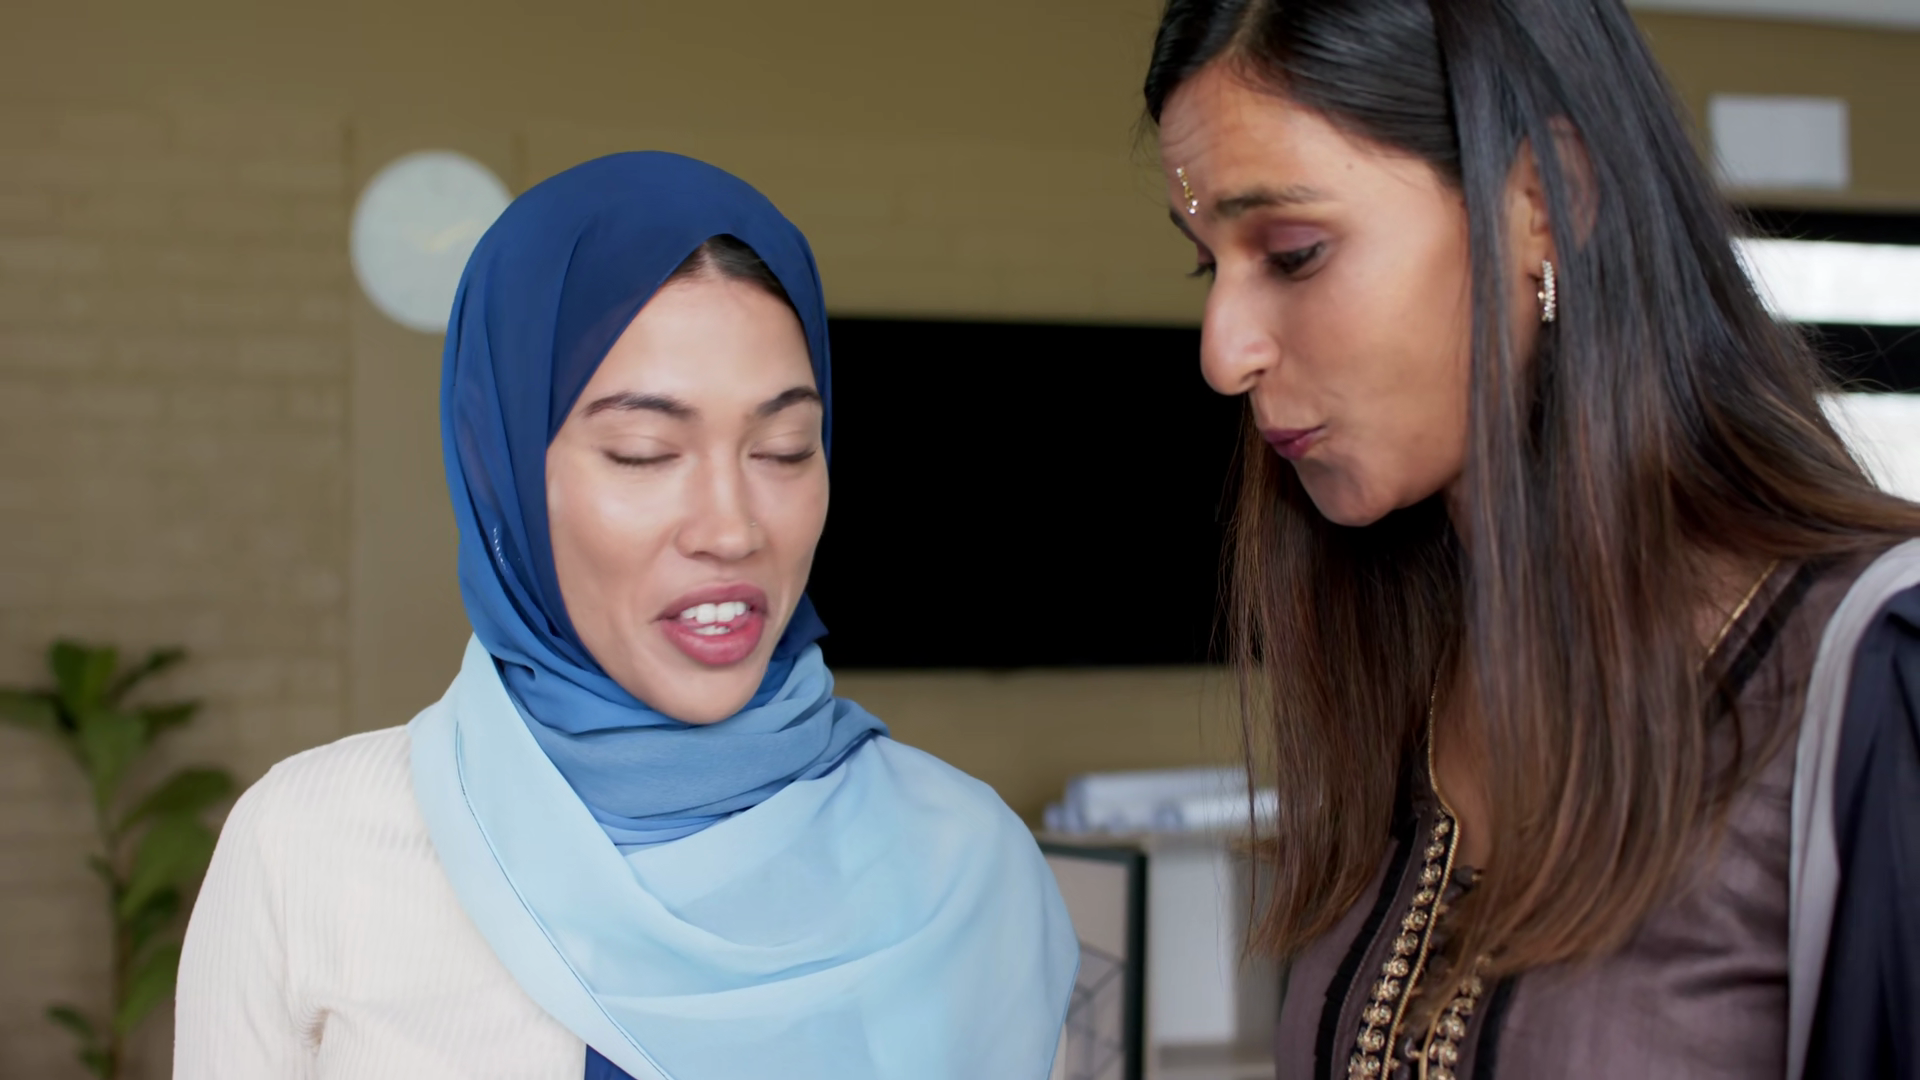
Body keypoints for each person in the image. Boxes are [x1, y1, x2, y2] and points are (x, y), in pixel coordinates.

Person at [1139, 1, 1920, 1077]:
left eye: (1294, 253)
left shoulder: (1871, 673)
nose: (1223, 352)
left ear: (1543, 204)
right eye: (1206, 266)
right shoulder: (1401, 673)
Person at [174, 152, 1078, 1080]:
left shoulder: (965, 867)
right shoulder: (312, 846)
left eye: (784, 448)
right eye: (645, 452)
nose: (731, 529)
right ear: (501, 472)